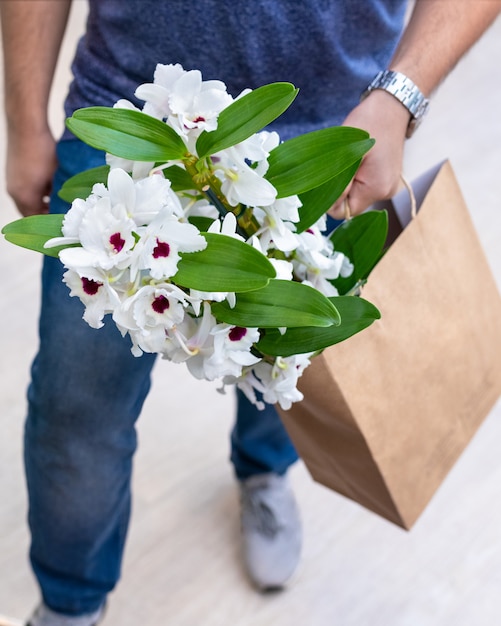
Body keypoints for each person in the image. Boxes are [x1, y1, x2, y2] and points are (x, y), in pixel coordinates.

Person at [1, 1, 500, 625]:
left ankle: (265, 471)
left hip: (326, 128)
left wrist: (402, 95)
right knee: (77, 404)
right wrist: (24, 121)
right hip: (136, 119)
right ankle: (69, 603)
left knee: (282, 363)